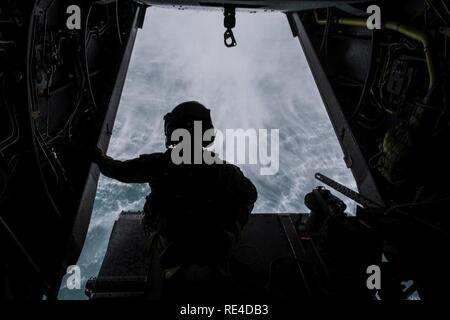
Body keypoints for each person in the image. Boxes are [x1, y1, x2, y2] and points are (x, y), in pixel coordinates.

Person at [92, 101, 257, 299]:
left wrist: (99, 158)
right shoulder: (225, 169)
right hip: (215, 240)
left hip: (175, 241)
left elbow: (120, 171)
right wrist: (234, 224)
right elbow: (250, 195)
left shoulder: (161, 164)